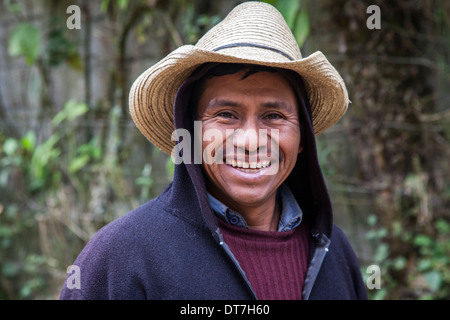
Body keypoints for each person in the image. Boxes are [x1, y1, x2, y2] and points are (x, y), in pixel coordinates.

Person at [60, 1, 368, 300]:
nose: (250, 141)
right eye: (226, 115)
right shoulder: (121, 258)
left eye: (274, 116)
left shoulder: (334, 253)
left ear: (303, 137)